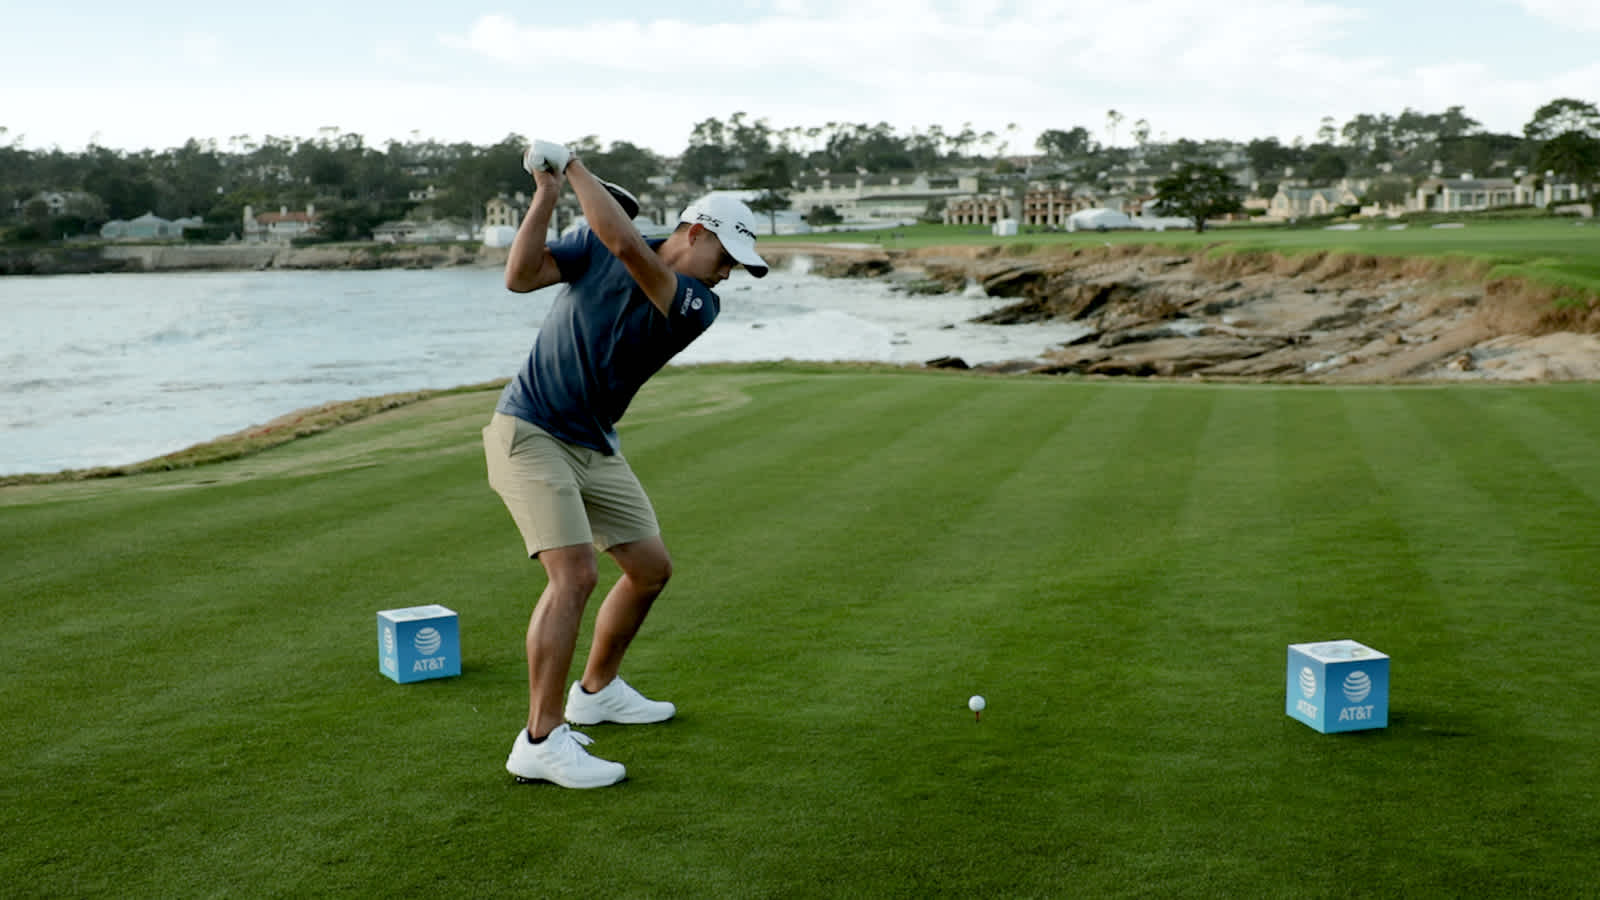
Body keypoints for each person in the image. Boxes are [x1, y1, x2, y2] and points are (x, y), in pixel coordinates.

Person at [484, 140, 769, 789]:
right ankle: (540, 739)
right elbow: (521, 276)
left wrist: (576, 165)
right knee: (575, 575)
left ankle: (597, 692)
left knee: (649, 568)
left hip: (593, 442)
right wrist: (547, 195)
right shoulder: (596, 246)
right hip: (529, 428)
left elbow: (627, 248)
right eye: (725, 257)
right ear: (695, 232)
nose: (727, 273)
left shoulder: (696, 303)